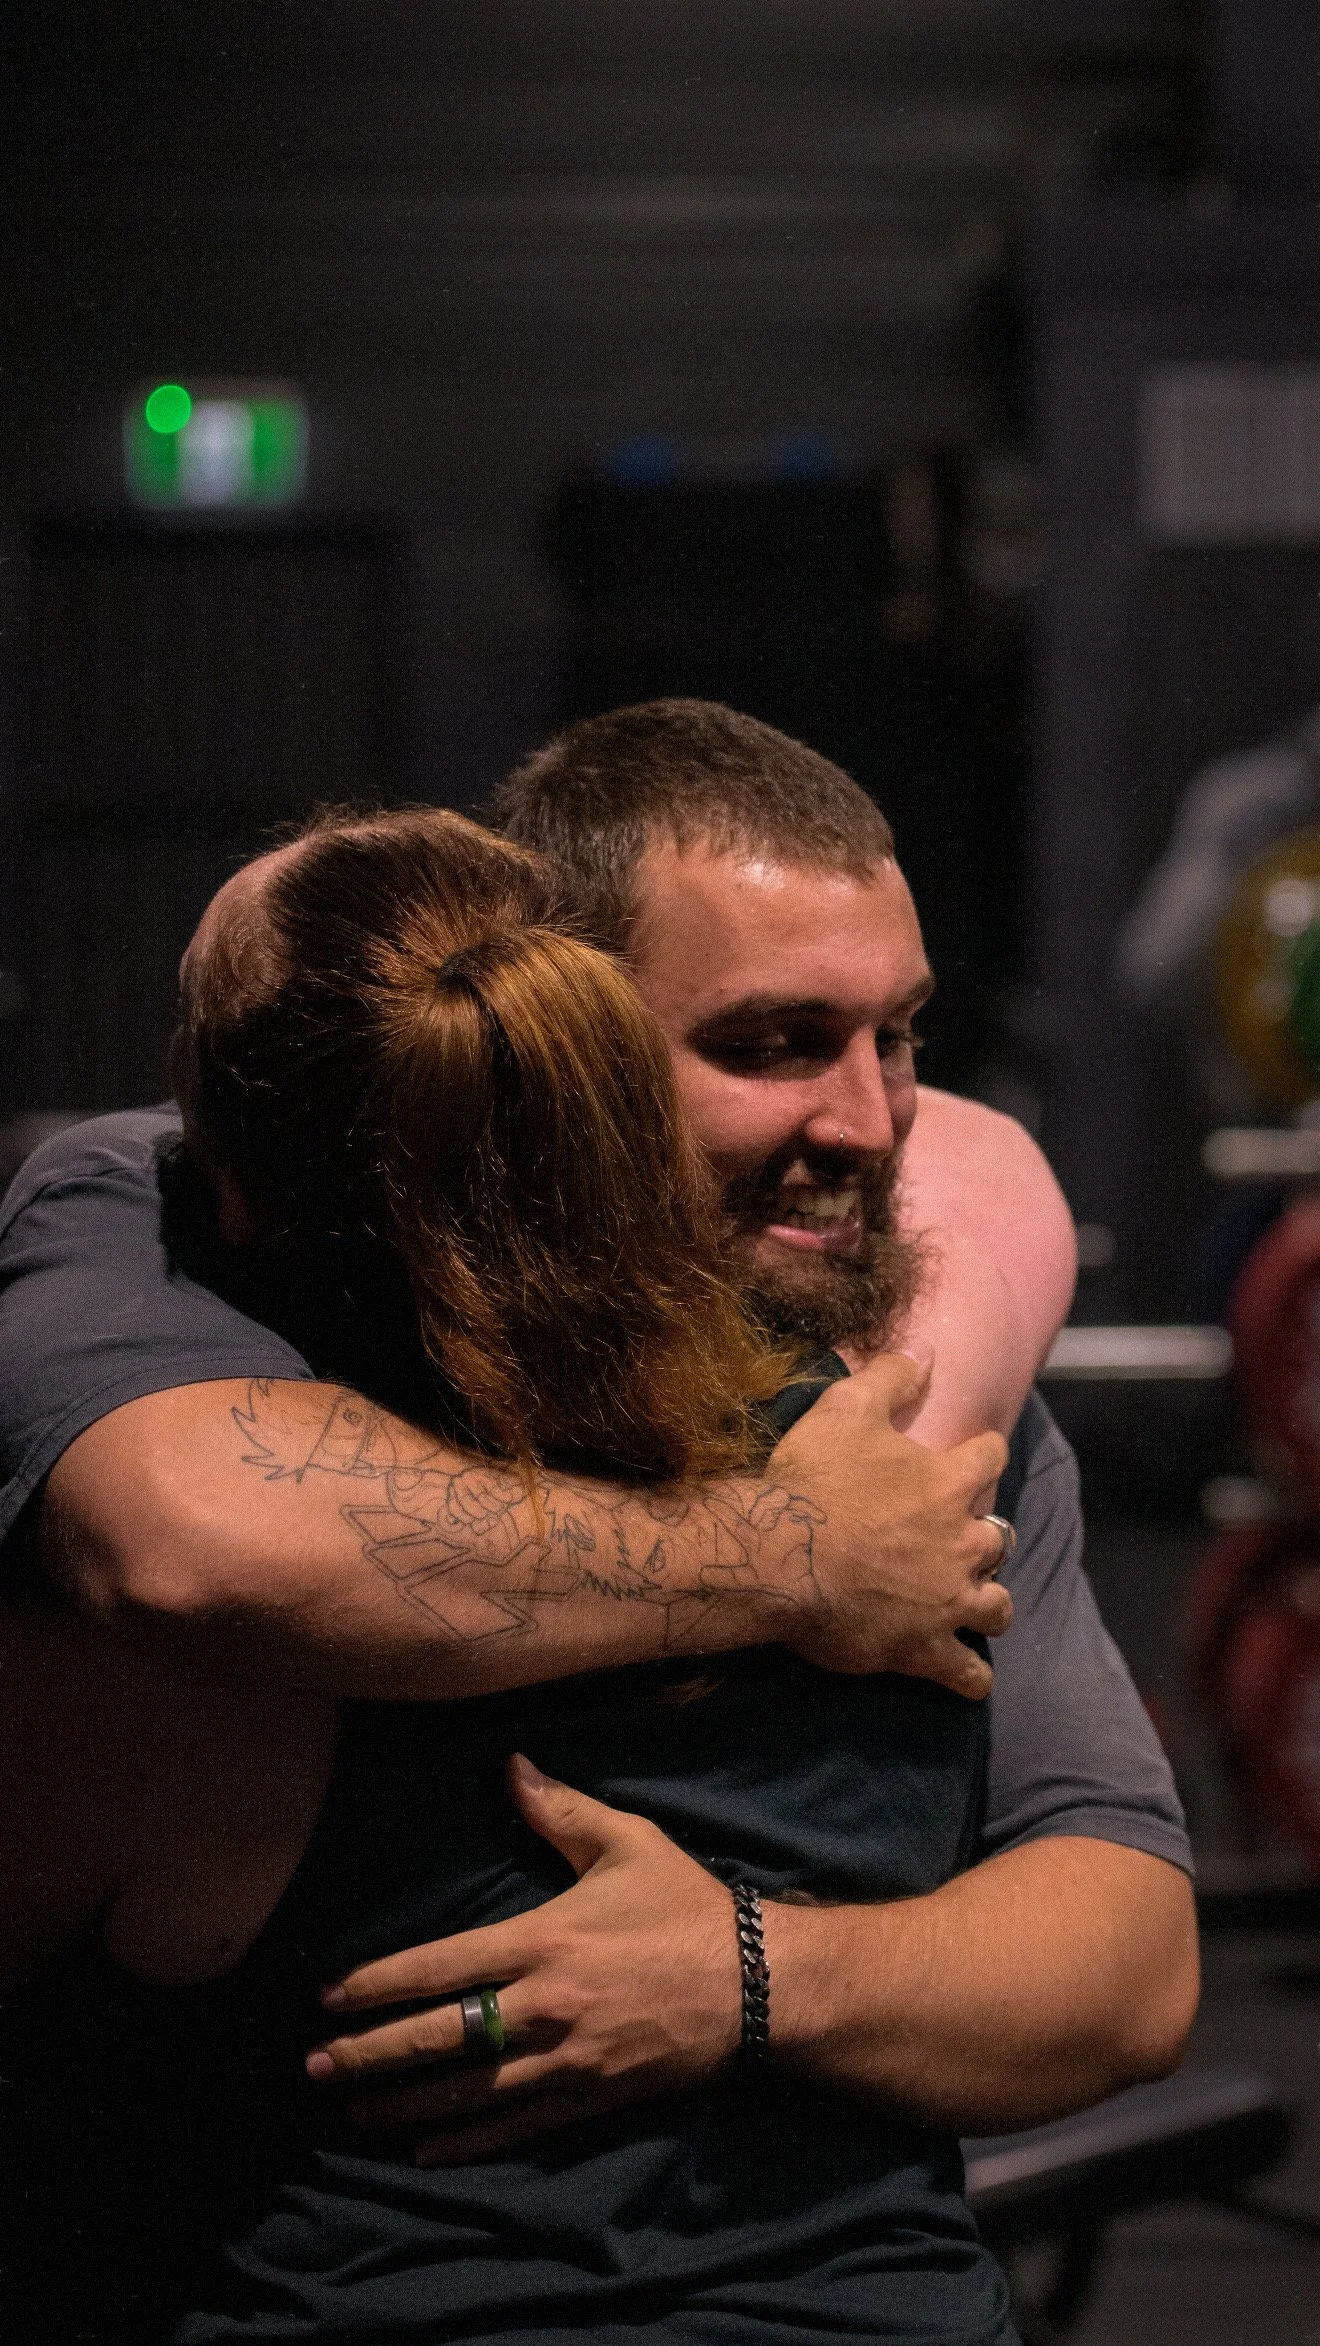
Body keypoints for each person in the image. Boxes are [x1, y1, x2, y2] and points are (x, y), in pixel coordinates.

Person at [0, 714, 1193, 2340]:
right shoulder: (199, 1390)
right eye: (770, 1041)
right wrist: (789, 1558)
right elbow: (186, 1540)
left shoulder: (911, 1423)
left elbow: (1130, 1969)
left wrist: (748, 1974)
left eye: (901, 1035)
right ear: (566, 1037)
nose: (870, 1120)